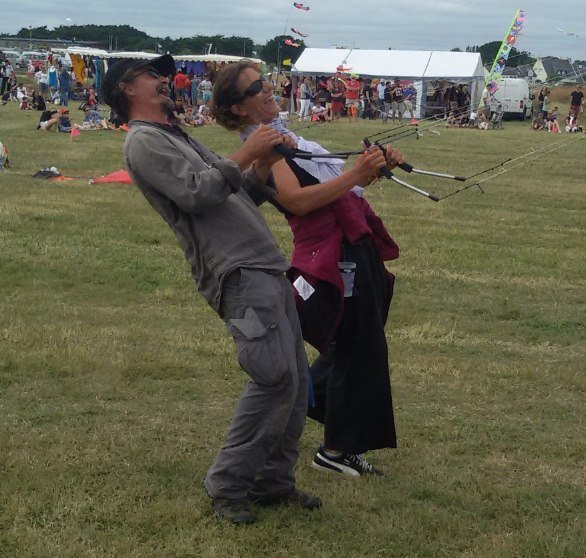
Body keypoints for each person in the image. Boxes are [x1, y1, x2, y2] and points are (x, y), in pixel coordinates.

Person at [100, 54, 320, 525]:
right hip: (236, 278)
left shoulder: (175, 134)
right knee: (272, 376)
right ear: (127, 89)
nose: (163, 80)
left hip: (264, 268)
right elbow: (197, 193)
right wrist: (244, 153)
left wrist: (261, 162)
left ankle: (273, 483)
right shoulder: (143, 142)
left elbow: (237, 194)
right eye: (150, 75)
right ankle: (227, 483)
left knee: (295, 380)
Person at [213, 60, 402, 478]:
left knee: (354, 342)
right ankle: (336, 450)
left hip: (351, 244)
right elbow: (298, 202)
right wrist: (356, 172)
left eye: (266, 82)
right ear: (238, 108)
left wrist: (370, 169)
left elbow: (339, 191)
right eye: (257, 88)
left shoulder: (289, 139)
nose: (269, 89)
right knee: (357, 347)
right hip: (329, 256)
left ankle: (314, 409)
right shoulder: (264, 148)